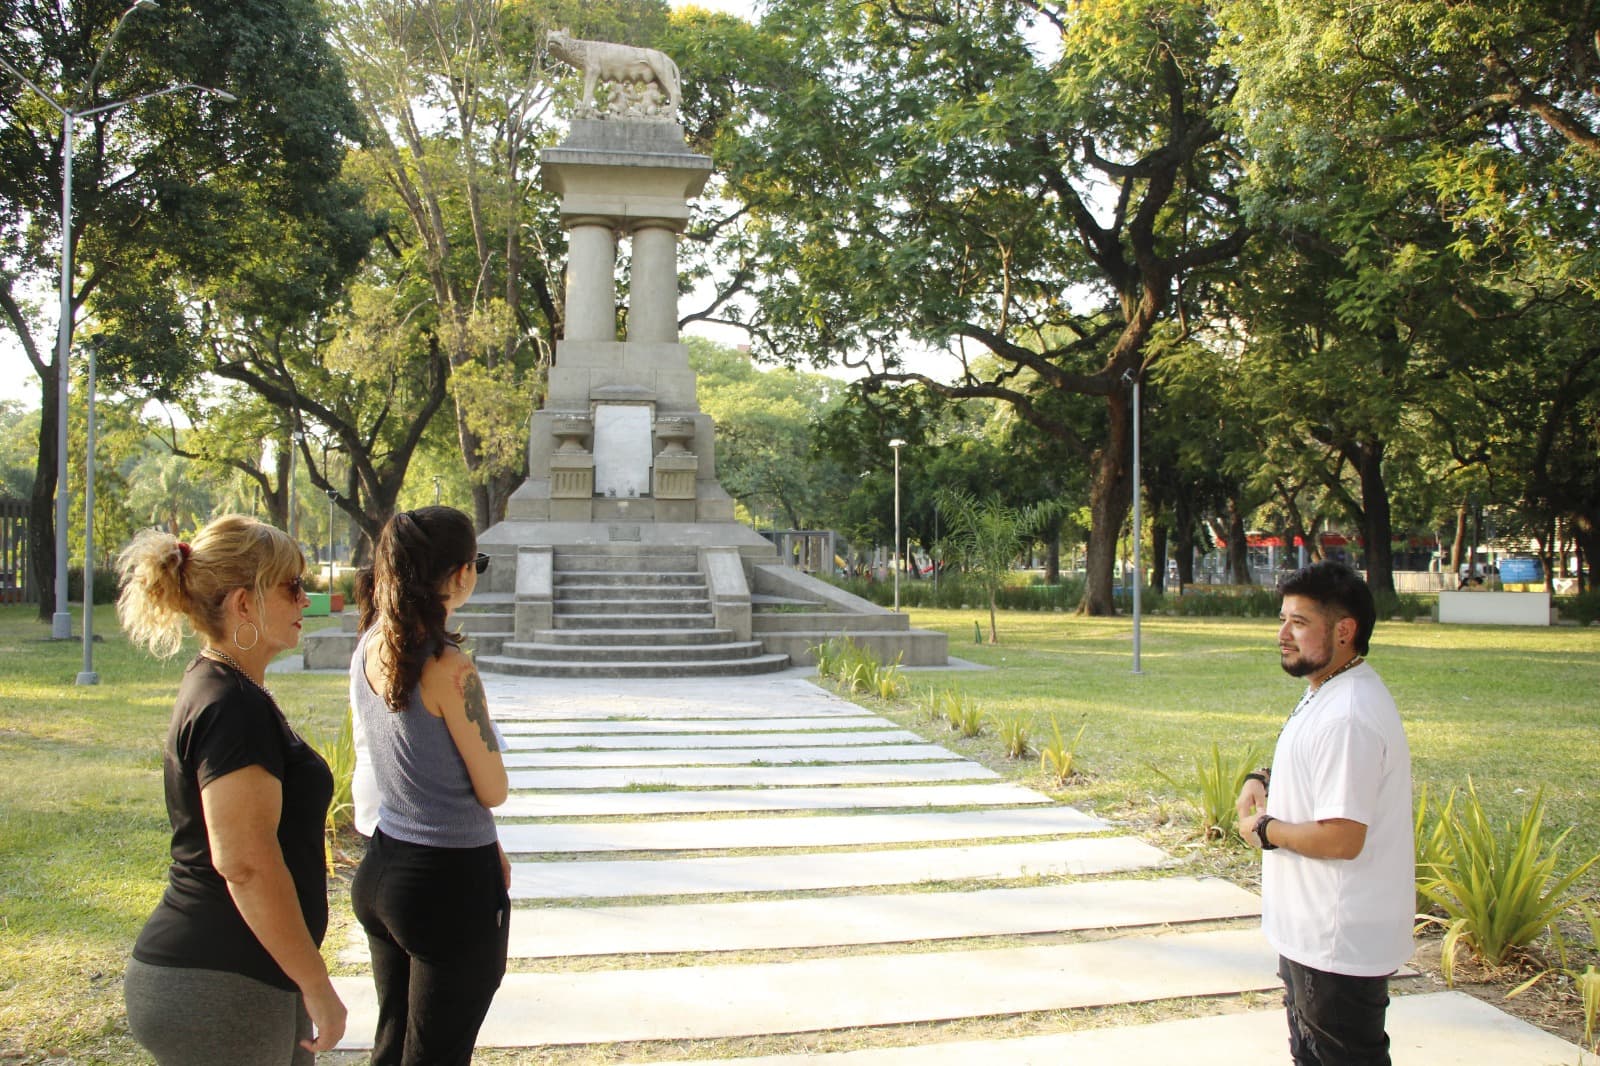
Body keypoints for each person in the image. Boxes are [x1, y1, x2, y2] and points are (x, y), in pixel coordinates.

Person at [116, 516, 345, 1064]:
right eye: (292, 586)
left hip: (245, 975)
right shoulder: (232, 705)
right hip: (220, 982)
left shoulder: (233, 688)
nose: (304, 599)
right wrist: (317, 983)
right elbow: (244, 862)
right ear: (244, 604)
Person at [349, 507, 510, 1064]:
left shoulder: (370, 643)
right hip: (448, 882)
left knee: (392, 1043)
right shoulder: (449, 667)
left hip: (384, 865)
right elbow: (493, 789)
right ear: (460, 573)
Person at [1236, 561, 1413, 1065]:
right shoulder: (1328, 688)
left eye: (1299, 622)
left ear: (1344, 630)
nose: (1282, 635)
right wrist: (1263, 778)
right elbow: (1313, 764)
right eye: (1283, 619)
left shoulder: (1349, 714)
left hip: (1335, 941)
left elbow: (1342, 838)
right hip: (1311, 932)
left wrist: (1266, 831)